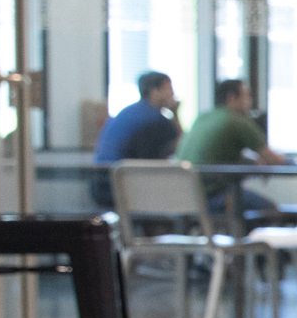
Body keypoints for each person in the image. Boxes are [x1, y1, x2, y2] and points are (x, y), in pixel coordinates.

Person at [176, 77, 285, 230]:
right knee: (271, 211)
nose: (250, 101)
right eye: (247, 95)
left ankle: (241, 248)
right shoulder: (236, 120)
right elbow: (272, 159)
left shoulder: (203, 117)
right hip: (214, 197)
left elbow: (214, 155)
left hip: (186, 198)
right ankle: (254, 250)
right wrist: (283, 159)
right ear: (231, 98)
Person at [92, 71, 180, 208]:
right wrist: (176, 113)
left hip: (101, 184)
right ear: (155, 91)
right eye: (168, 88)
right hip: (122, 187)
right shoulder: (154, 119)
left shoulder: (127, 111)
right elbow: (180, 146)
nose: (173, 94)